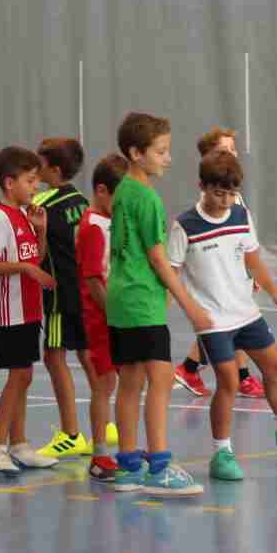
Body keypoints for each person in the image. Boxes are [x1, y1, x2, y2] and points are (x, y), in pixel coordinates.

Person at [168, 150, 277, 483]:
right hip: (212, 322)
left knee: (275, 367)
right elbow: (171, 273)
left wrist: (275, 291)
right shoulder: (184, 226)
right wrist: (188, 310)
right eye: (218, 192)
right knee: (228, 382)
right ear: (202, 186)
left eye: (230, 193)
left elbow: (253, 259)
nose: (225, 200)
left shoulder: (241, 214)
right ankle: (222, 453)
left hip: (246, 312)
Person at [94, 111, 212, 495]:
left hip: (120, 299)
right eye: (161, 151)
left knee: (130, 383)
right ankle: (159, 465)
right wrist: (190, 306)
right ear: (136, 152)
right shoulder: (147, 199)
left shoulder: (123, 190)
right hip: (143, 300)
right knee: (160, 379)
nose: (168, 158)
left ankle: (128, 466)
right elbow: (159, 259)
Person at [0, 146, 59, 473]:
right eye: (30, 181)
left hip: (29, 310)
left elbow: (34, 259)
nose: (36, 187)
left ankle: (20, 444)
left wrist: (40, 233)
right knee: (19, 376)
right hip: (9, 312)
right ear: (9, 183)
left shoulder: (25, 217)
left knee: (24, 377)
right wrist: (26, 271)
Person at [175, 127, 265, 401]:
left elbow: (243, 241)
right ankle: (241, 377)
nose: (233, 154)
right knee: (228, 323)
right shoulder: (210, 204)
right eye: (225, 150)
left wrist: (253, 270)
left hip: (237, 273)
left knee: (235, 321)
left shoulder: (233, 195)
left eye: (234, 150)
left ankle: (194, 369)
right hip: (218, 281)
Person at [31, 136, 93, 460]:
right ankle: (105, 428)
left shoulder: (42, 203)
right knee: (88, 357)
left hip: (60, 295)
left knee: (54, 357)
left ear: (53, 168)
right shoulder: (84, 202)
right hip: (86, 293)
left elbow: (15, 230)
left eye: (39, 162)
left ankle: (70, 434)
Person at [78, 154, 128, 463]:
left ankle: (128, 448)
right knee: (104, 383)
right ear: (101, 191)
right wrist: (113, 314)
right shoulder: (92, 227)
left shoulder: (111, 221)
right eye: (118, 199)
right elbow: (93, 279)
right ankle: (100, 454)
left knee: (129, 380)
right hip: (101, 318)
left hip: (120, 314)